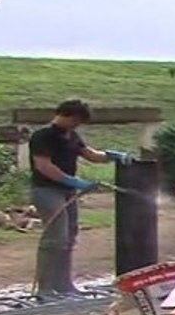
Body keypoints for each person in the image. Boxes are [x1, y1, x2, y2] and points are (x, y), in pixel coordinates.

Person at [29, 98, 133, 297]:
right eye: (76, 120)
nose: (77, 125)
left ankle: (63, 285)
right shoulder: (43, 136)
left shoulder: (72, 135)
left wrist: (112, 156)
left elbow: (91, 154)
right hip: (47, 190)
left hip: (68, 192)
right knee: (55, 238)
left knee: (69, 237)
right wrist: (75, 182)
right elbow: (44, 166)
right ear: (65, 115)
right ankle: (44, 288)